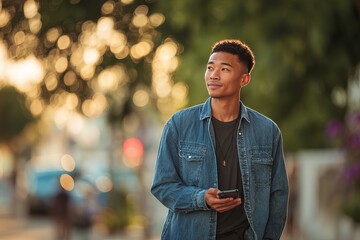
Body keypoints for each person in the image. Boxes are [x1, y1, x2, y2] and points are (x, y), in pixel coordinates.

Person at [151, 39, 289, 240]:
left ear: (244, 79)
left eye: (224, 69)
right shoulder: (179, 125)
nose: (213, 75)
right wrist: (201, 199)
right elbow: (162, 186)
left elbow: (278, 196)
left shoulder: (267, 131)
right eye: (210, 68)